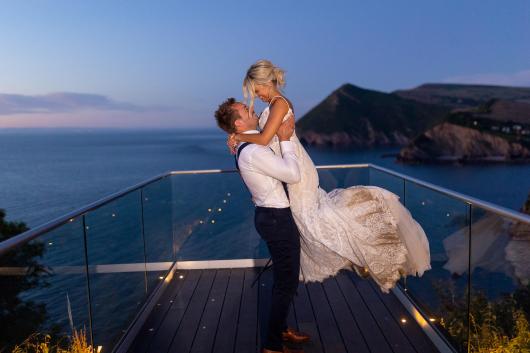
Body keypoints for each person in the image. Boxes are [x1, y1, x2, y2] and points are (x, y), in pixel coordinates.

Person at [229, 59, 431, 293]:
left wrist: (238, 137)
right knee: (309, 223)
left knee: (314, 223)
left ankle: (359, 252)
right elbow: (266, 140)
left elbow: (264, 140)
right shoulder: (275, 105)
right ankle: (350, 255)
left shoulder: (279, 105)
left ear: (268, 82)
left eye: (258, 90)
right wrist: (241, 138)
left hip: (298, 171)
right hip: (292, 164)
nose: (257, 95)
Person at [214, 97, 310, 353]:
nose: (252, 109)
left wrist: (237, 137)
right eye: (246, 110)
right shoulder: (253, 150)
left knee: (284, 280)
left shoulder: (249, 144)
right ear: (238, 122)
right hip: (276, 219)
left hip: (272, 217)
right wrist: (287, 139)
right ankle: (272, 345)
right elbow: (292, 174)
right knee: (286, 283)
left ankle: (280, 329)